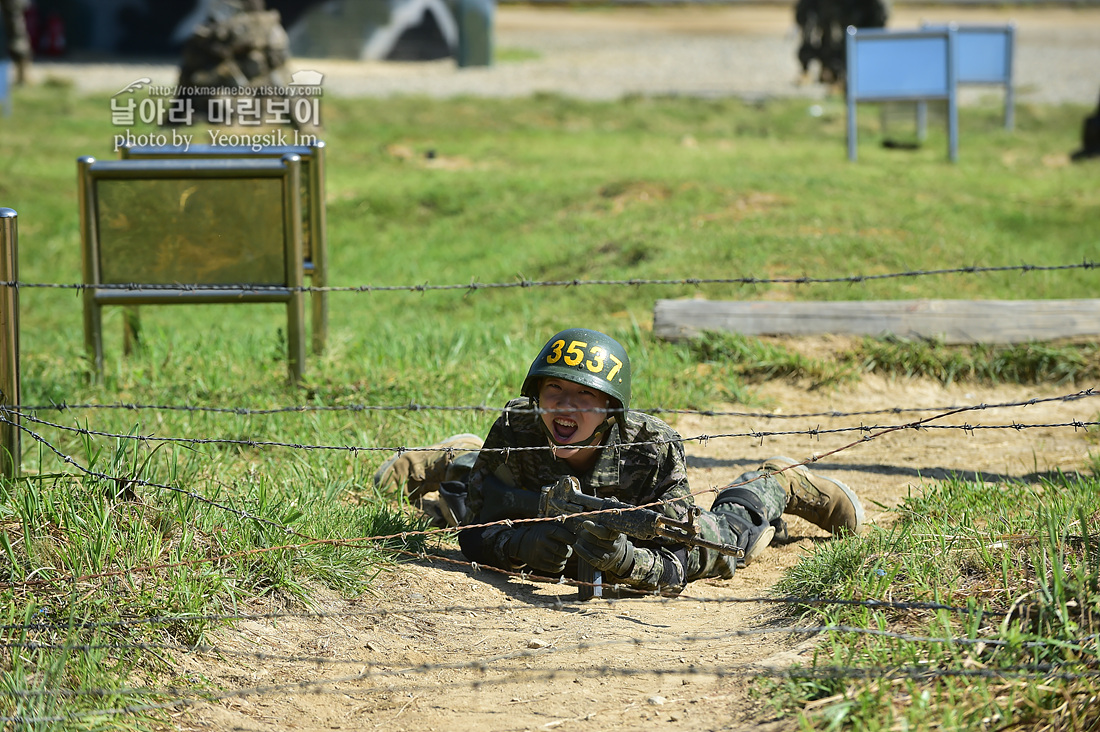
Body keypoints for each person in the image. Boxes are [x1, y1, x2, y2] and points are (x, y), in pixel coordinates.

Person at [375, 328, 864, 594]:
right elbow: (478, 531)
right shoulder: (521, 424)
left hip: (643, 531)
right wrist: (523, 544)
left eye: (585, 398)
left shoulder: (652, 449)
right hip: (517, 479)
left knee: (724, 541)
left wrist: (627, 562)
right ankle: (462, 458)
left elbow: (683, 557)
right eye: (554, 391)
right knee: (467, 497)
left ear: (611, 411)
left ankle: (774, 482)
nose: (565, 408)